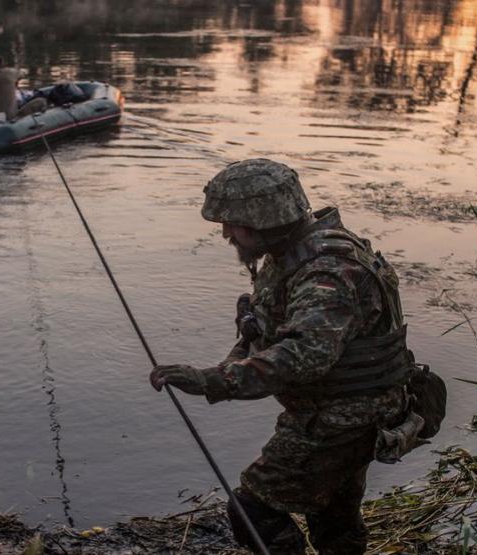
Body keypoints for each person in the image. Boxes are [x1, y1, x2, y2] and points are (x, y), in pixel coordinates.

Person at [150, 159, 416, 555]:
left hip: (341, 418)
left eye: (232, 222)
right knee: (333, 517)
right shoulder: (295, 251)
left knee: (253, 508)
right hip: (349, 410)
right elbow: (288, 335)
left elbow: (304, 357)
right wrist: (252, 326)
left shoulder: (328, 269)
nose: (225, 233)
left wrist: (212, 381)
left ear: (263, 219)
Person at [0, 53, 47, 120]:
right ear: (1, 64)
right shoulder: (9, 73)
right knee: (41, 101)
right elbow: (22, 74)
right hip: (7, 116)